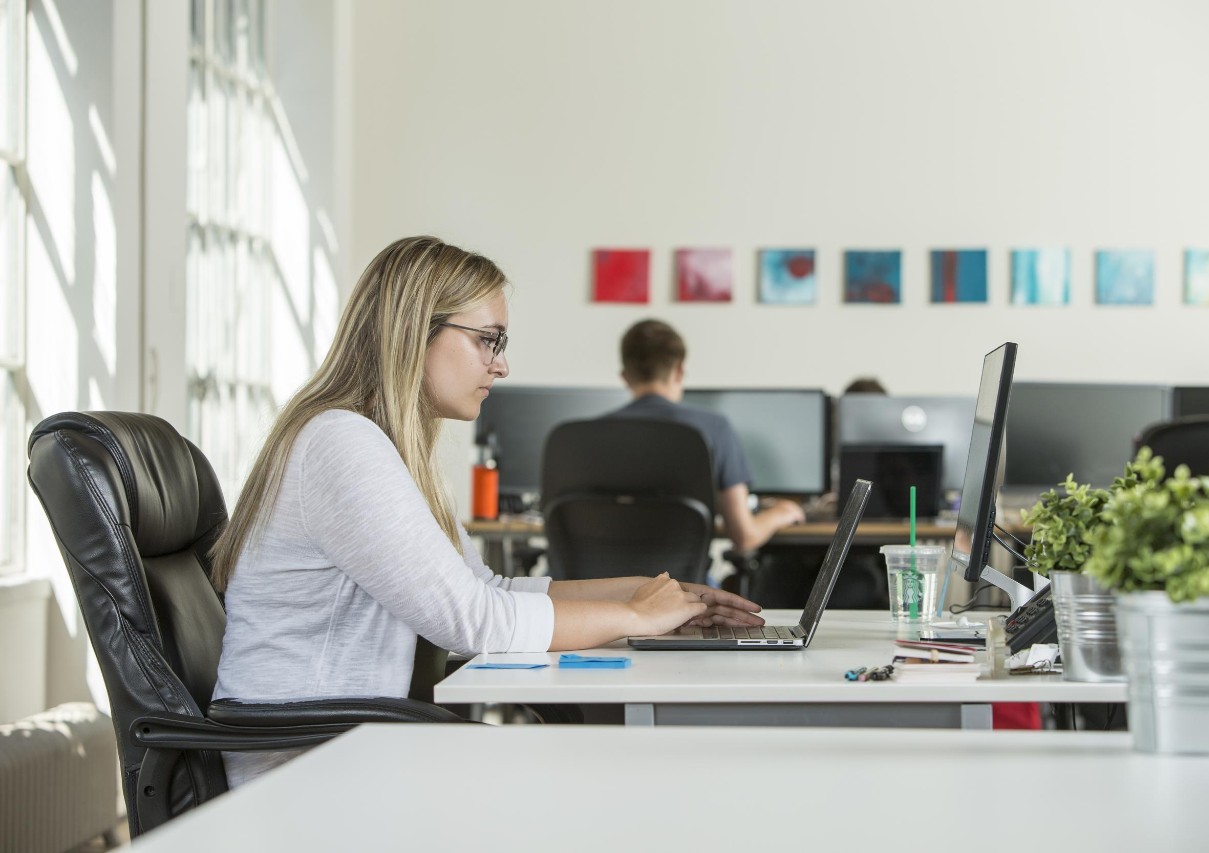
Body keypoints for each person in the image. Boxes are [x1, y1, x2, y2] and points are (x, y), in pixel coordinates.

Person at [209, 237, 763, 787]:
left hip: (350, 750)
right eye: (488, 340)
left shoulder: (380, 447)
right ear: (415, 329)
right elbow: (472, 621)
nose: (501, 365)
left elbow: (486, 587)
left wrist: (643, 592)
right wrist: (637, 619)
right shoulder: (342, 443)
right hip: (305, 773)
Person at [603, 319, 805, 553]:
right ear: (679, 371)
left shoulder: (584, 436)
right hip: (679, 587)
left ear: (625, 376)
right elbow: (744, 536)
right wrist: (779, 513)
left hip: (602, 586)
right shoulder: (713, 428)